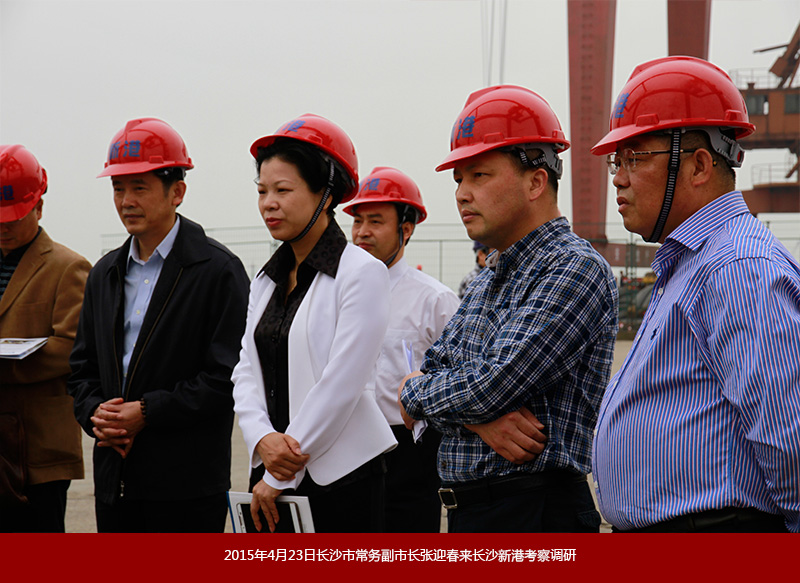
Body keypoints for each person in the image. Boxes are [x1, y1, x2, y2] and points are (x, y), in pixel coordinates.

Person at [590, 56, 800, 533]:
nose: (618, 177)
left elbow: (789, 439)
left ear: (700, 164)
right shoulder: (692, 263)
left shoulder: (738, 268)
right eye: (616, 162)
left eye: (634, 157)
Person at [398, 85, 619, 533]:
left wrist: (417, 393)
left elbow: (491, 384)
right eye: (458, 179)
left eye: (479, 175)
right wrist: (479, 422)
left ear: (536, 181)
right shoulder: (489, 276)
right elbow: (440, 370)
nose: (462, 193)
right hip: (476, 513)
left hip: (535, 511)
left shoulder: (573, 268)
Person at [67, 118, 250, 532]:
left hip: (186, 487)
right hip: (116, 482)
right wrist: (96, 413)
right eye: (118, 188)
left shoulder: (218, 271)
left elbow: (228, 378)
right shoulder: (104, 274)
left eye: (139, 187)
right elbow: (81, 370)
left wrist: (148, 412)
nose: (126, 201)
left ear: (177, 192)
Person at [232, 114, 397, 533]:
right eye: (262, 191)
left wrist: (279, 472)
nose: (268, 203)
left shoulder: (362, 272)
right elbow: (245, 369)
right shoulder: (266, 280)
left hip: (339, 481)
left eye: (283, 190)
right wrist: (261, 438)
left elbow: (341, 383)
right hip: (269, 472)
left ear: (325, 195)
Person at [343, 166, 459, 532]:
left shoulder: (435, 300)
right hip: (347, 445)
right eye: (358, 221)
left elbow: (458, 378)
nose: (362, 232)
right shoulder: (336, 294)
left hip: (409, 452)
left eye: (375, 221)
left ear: (406, 229)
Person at [0, 145, 91, 532]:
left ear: (38, 206)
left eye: (13, 219)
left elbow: (71, 349)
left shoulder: (68, 267)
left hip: (39, 451)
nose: (3, 227)